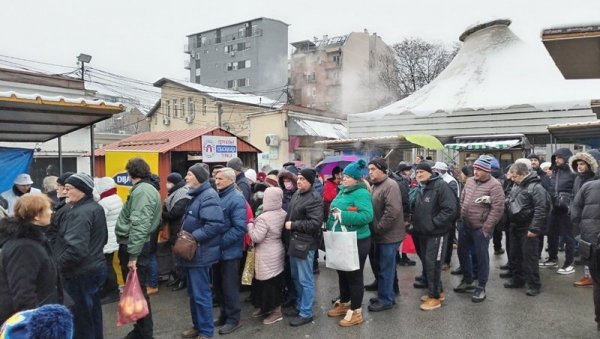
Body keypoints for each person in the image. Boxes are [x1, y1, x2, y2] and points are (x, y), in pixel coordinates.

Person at [55, 173, 107, 339]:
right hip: (94, 266)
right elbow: (102, 238)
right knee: (92, 313)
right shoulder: (94, 207)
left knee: (81, 318)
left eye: (69, 189)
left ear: (82, 190)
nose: (65, 192)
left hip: (80, 272)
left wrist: (57, 266)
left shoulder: (80, 213)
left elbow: (76, 249)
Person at [115, 158, 162, 339]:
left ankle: (144, 333)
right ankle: (141, 329)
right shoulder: (146, 188)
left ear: (130, 173)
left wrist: (133, 255)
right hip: (137, 245)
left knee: (139, 291)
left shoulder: (142, 190)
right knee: (137, 290)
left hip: (136, 247)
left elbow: (140, 225)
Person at [179, 163, 225, 339]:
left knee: (201, 294)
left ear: (198, 178)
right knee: (193, 294)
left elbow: (215, 225)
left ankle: (206, 332)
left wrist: (192, 237)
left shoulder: (208, 196)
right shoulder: (197, 195)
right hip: (193, 252)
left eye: (189, 174)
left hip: (200, 252)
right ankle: (197, 326)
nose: (186, 177)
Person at [0, 194, 61, 324]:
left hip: (44, 312)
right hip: (32, 321)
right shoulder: (23, 246)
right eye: (47, 209)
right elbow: (23, 292)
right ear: (36, 216)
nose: (51, 212)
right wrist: (33, 325)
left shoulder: (36, 239)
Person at [325, 160, 373, 326]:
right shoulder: (343, 191)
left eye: (348, 176)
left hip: (357, 240)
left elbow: (367, 216)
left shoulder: (361, 194)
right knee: (342, 272)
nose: (343, 178)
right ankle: (344, 303)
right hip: (340, 239)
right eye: (343, 176)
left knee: (354, 275)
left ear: (356, 179)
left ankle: (357, 311)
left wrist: (343, 215)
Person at [455, 155, 505, 303]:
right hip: (465, 225)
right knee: (462, 252)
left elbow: (498, 209)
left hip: (480, 228)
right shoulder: (470, 181)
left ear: (487, 171)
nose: (475, 171)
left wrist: (486, 227)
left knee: (482, 257)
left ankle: (481, 286)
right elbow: (463, 198)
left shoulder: (494, 185)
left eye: (479, 169)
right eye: (475, 168)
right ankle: (468, 280)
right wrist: (460, 216)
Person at [412, 162, 458, 311]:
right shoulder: (421, 187)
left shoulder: (440, 186)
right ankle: (438, 291)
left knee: (434, 264)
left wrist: (433, 223)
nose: (418, 174)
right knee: (428, 263)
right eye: (417, 172)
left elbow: (450, 209)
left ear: (430, 173)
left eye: (421, 172)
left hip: (437, 233)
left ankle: (434, 298)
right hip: (423, 233)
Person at [283, 168, 323, 327]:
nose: (299, 182)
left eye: (303, 179)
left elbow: (315, 223)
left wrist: (293, 224)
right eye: (298, 179)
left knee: (305, 279)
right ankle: (300, 305)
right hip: (294, 241)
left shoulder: (314, 197)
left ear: (310, 181)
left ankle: (306, 313)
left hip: (305, 243)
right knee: (295, 277)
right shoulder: (297, 194)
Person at [504, 162, 550, 297]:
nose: (512, 179)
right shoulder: (517, 185)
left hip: (528, 227)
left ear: (523, 174)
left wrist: (534, 228)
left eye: (515, 176)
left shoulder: (536, 188)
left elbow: (541, 209)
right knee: (515, 255)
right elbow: (510, 199)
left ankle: (533, 284)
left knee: (529, 258)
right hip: (515, 225)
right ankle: (518, 279)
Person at [367, 157, 404, 312]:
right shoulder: (376, 186)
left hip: (388, 235)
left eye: (373, 169)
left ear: (382, 170)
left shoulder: (390, 185)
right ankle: (385, 293)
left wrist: (379, 228)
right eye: (369, 169)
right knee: (382, 267)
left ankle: (387, 300)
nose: (370, 172)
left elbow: (392, 211)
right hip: (380, 235)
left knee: (386, 269)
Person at [213, 167, 247, 335]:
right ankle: (224, 315)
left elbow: (240, 228)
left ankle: (234, 319)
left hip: (230, 252)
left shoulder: (236, 198)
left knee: (229, 287)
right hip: (218, 251)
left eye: (220, 179)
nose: (216, 181)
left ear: (230, 180)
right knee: (218, 285)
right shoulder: (219, 195)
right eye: (216, 178)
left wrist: (219, 243)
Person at [248, 187, 287, 325]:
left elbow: (257, 237)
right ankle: (266, 308)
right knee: (274, 281)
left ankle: (275, 312)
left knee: (266, 284)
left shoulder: (264, 217)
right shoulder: (282, 213)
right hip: (277, 249)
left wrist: (250, 225)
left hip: (265, 253)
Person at [570, 169, 600, 331]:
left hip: (591, 242)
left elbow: (574, 214)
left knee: (597, 283)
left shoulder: (588, 186)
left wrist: (581, 235)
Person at [540, 148, 577, 274]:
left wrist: (571, 204)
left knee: (568, 237)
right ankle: (552, 258)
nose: (556, 159)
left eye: (559, 157)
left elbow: (577, 190)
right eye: (555, 157)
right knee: (551, 233)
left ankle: (569, 263)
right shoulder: (554, 170)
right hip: (554, 207)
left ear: (566, 158)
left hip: (566, 209)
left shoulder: (573, 171)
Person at [569, 150, 600, 287]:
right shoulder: (578, 178)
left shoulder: (593, 179)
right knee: (586, 250)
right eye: (578, 164)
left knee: (591, 251)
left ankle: (591, 276)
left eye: (582, 164)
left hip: (591, 220)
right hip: (582, 219)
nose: (579, 167)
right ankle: (589, 275)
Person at [96, 177, 123, 304]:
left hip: (106, 239)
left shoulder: (104, 202)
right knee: (109, 264)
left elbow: (98, 220)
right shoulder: (116, 198)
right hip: (114, 237)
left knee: (107, 266)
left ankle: (112, 292)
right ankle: (111, 290)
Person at [162, 172, 190, 292]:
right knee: (176, 257)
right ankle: (178, 278)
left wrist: (161, 213)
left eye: (168, 182)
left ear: (173, 183)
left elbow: (175, 213)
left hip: (180, 230)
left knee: (179, 257)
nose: (166, 185)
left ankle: (182, 279)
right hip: (175, 229)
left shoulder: (182, 194)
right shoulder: (175, 193)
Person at [432, 161, 459, 271]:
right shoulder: (439, 180)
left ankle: (446, 261)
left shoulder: (450, 181)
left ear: (441, 171)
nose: (434, 172)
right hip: (439, 212)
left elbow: (451, 200)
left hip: (449, 214)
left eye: (436, 170)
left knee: (448, 238)